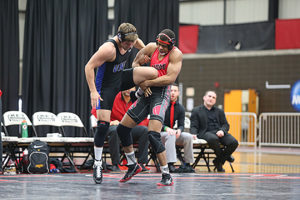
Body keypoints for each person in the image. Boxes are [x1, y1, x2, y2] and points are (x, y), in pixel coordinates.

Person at [85, 23, 158, 184]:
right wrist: (93, 91)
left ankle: (138, 94)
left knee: (153, 72)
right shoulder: (108, 49)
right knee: (103, 125)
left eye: (132, 42)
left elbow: (142, 46)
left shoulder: (132, 40)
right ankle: (97, 163)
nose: (130, 45)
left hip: (121, 79)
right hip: (106, 87)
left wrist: (144, 57)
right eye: (127, 43)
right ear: (119, 37)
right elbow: (88, 66)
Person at [116, 29, 183, 186]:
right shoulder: (151, 47)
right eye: (159, 44)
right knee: (122, 129)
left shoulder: (176, 54)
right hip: (146, 92)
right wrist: (141, 83)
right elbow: (135, 66)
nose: (160, 48)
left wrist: (147, 83)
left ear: (171, 46)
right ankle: (132, 164)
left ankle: (166, 174)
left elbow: (170, 78)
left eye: (164, 46)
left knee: (153, 134)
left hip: (161, 94)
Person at [190, 90, 239, 172]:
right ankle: (225, 157)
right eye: (209, 96)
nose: (211, 98)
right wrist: (193, 133)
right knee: (213, 139)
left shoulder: (219, 111)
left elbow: (225, 125)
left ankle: (218, 161)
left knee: (234, 142)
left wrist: (222, 131)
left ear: (215, 100)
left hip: (219, 132)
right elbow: (194, 125)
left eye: (213, 97)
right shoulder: (196, 110)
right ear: (204, 98)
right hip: (205, 133)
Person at [106, 87, 150, 172]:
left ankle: (141, 164)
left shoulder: (139, 99)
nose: (128, 89)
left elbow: (144, 119)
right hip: (114, 128)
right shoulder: (113, 97)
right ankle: (116, 164)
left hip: (130, 128)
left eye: (131, 87)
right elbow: (99, 113)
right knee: (115, 130)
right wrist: (110, 121)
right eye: (127, 86)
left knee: (144, 130)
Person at [160, 83, 196, 173]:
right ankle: (170, 164)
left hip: (171, 134)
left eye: (175, 91)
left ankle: (188, 164)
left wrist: (179, 130)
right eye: (170, 90)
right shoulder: (161, 105)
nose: (172, 93)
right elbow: (157, 123)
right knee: (171, 135)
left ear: (178, 93)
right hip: (160, 134)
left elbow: (181, 124)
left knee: (188, 136)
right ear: (167, 92)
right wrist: (167, 129)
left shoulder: (180, 108)